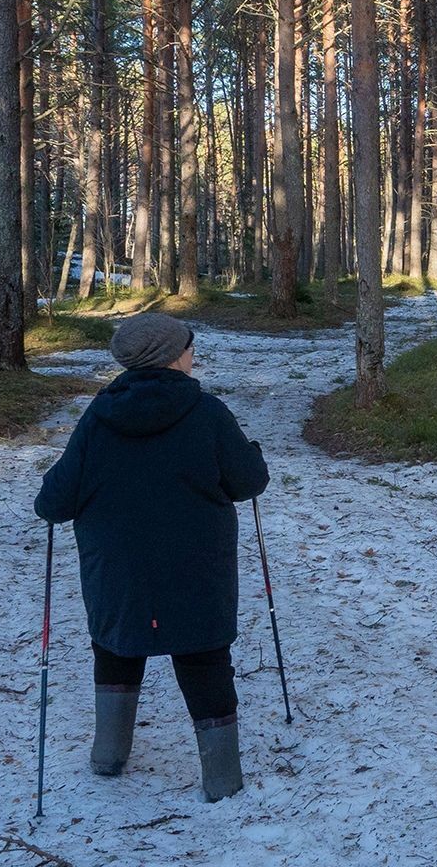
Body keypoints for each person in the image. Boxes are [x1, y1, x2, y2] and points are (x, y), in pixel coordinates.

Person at [35, 312, 270, 801]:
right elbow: (249, 482)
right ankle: (222, 779)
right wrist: (253, 452)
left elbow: (53, 503)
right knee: (204, 655)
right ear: (171, 357)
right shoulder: (207, 413)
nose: (193, 354)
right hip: (197, 570)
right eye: (189, 346)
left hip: (117, 571)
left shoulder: (98, 417)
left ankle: (108, 754)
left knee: (118, 645)